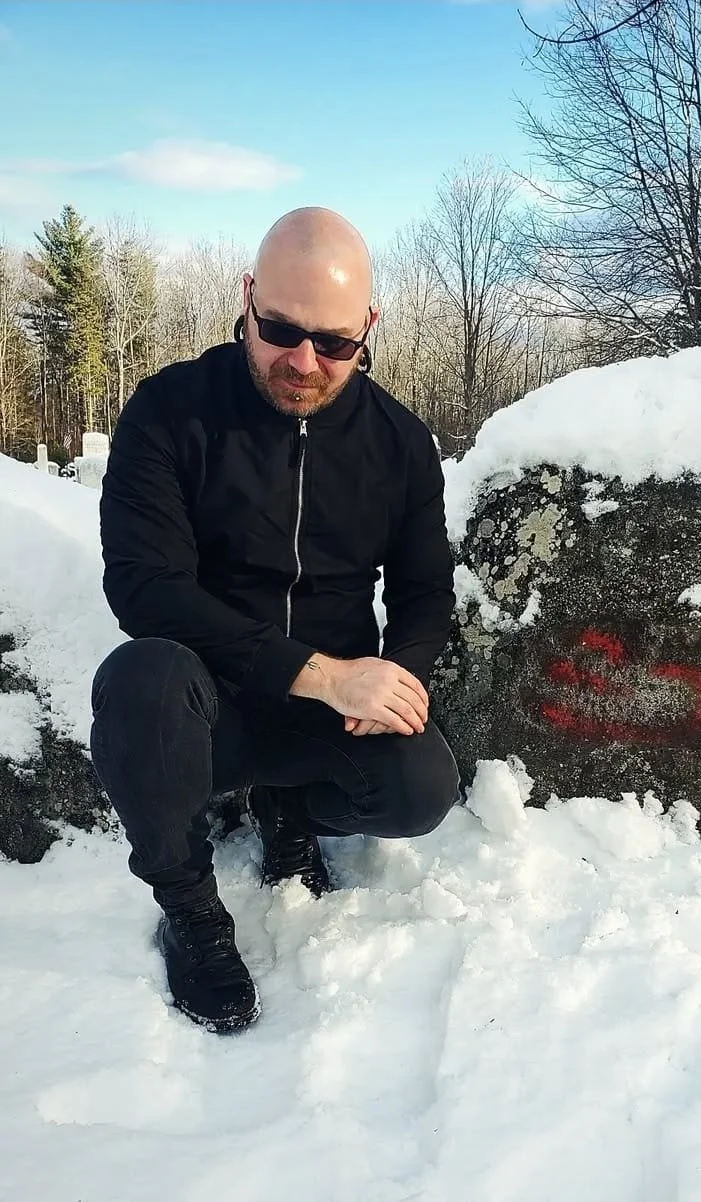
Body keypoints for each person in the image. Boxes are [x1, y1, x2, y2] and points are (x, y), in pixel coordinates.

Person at [89, 207, 461, 1036]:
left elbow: (425, 591)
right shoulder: (172, 409)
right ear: (248, 297)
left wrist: (395, 677)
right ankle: (189, 906)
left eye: (332, 342)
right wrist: (325, 674)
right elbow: (144, 585)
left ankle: (288, 806)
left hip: (324, 718)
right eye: (281, 330)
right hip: (204, 705)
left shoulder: (398, 442)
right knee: (138, 678)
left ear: (368, 327)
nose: (303, 361)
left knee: (423, 790)